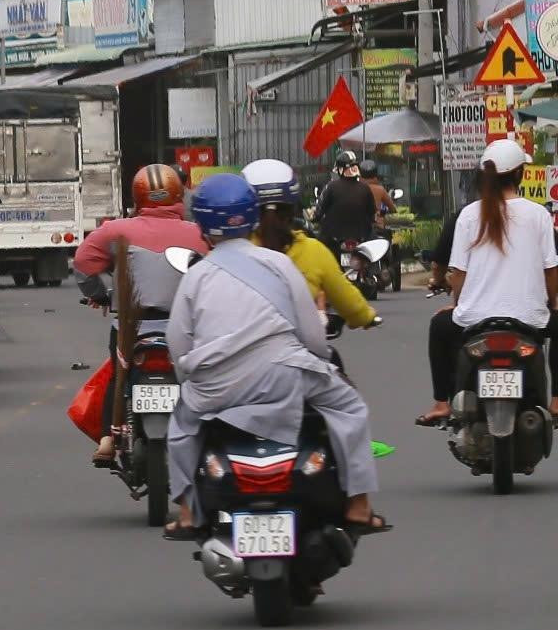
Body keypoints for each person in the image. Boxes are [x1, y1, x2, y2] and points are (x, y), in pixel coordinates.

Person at [163, 173, 387, 536]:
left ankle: (188, 511)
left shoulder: (196, 276)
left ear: (202, 223)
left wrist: (196, 383)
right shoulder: (280, 264)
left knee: (181, 428)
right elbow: (313, 337)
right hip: (283, 376)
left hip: (214, 389)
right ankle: (358, 505)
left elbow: (178, 345)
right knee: (350, 408)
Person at [72, 164, 209, 467]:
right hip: (186, 329)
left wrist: (98, 293)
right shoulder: (201, 234)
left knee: (116, 376)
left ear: (138, 197)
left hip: (132, 329)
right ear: (178, 194)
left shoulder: (116, 230)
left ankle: (108, 439)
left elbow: (82, 263)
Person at [418, 139, 558, 426]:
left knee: (438, 326)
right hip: (530, 320)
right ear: (519, 174)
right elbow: (551, 272)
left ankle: (441, 403)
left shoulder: (468, 215)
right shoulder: (538, 215)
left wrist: (457, 305)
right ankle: (556, 400)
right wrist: (552, 302)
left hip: (475, 319)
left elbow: (458, 275)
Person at [243, 158, 375, 335]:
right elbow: (349, 301)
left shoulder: (233, 253)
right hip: (299, 356)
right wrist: (366, 316)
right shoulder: (313, 250)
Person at [313, 151, 380, 247]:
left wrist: (315, 218)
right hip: (361, 237)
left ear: (340, 170)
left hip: (334, 238)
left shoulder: (331, 186)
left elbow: (319, 210)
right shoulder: (365, 188)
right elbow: (372, 214)